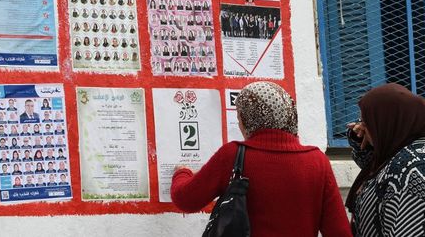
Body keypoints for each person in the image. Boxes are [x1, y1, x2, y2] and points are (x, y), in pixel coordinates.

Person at [170, 81, 352, 236]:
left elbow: (186, 199)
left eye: (240, 118)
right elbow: (339, 231)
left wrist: (181, 173)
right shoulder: (317, 161)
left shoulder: (232, 155)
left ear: (248, 119)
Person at [345, 83, 425, 236]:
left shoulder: (409, 171)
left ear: (389, 123)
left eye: (367, 122)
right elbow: (377, 171)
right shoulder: (403, 149)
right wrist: (364, 142)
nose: (361, 127)